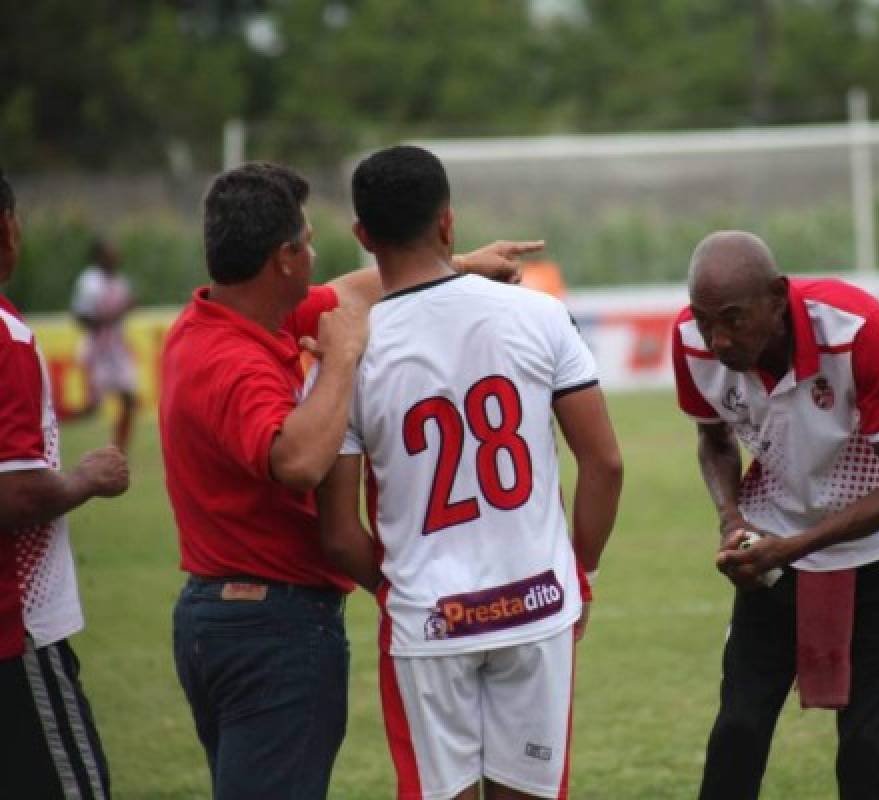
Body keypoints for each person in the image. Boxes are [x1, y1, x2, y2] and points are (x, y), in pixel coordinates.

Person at [160, 160, 543, 799]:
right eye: (307, 241)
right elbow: (299, 462)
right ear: (283, 258)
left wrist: (459, 265)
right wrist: (340, 358)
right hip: (271, 625)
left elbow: (353, 292)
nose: (314, 253)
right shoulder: (232, 362)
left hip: (234, 615)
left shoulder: (233, 319)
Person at [317, 145, 623, 800]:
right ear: (450, 224)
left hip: (430, 623)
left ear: (363, 235)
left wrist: (404, 593)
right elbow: (604, 461)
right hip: (538, 604)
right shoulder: (539, 313)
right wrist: (582, 576)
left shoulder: (351, 353)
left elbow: (340, 534)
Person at [671, 231, 879, 800]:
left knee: (867, 747)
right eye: (702, 319)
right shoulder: (690, 342)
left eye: (734, 320)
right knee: (738, 729)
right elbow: (713, 438)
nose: (716, 339)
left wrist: (792, 549)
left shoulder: (854, 329)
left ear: (776, 297)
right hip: (774, 549)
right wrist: (730, 519)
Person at [0, 169, 131, 799]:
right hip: (14, 628)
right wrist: (85, 478)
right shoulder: (7, 336)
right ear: (7, 229)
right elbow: (15, 496)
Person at [70, 237, 137, 450]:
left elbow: (125, 308)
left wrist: (128, 307)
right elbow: (80, 316)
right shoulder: (89, 282)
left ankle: (119, 449)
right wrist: (110, 317)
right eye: (110, 251)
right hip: (97, 350)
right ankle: (54, 433)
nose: (116, 254)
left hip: (116, 350)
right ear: (99, 256)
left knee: (129, 400)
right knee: (92, 408)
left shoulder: (120, 281)